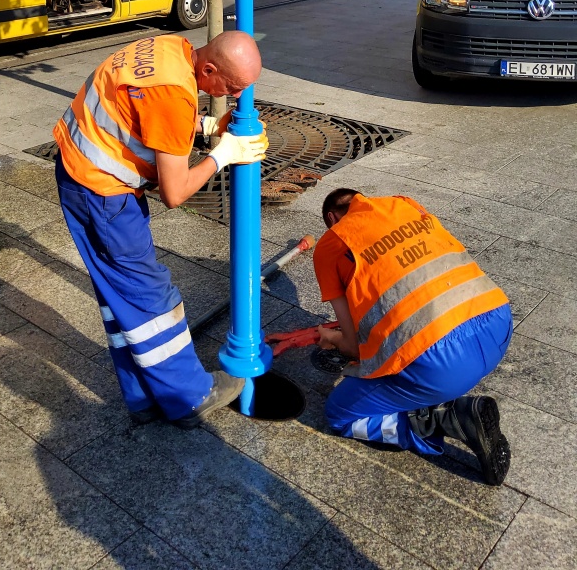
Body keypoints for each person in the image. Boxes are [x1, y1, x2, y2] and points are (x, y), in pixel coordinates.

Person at [53, 30, 267, 430]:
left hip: (80, 170)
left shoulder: (172, 49)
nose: (236, 96)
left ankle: (143, 395)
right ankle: (190, 397)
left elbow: (145, 116)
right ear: (208, 69)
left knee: (119, 299)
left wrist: (202, 128)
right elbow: (176, 192)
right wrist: (224, 154)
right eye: (233, 87)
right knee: (148, 295)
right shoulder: (173, 95)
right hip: (102, 194)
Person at [313, 188, 513, 485]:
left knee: (340, 415)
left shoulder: (331, 244)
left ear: (332, 219)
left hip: (440, 364)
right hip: (499, 324)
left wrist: (330, 336)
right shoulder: (404, 204)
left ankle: (447, 418)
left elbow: (354, 346)